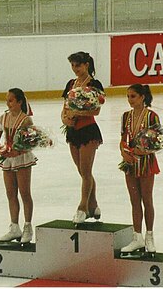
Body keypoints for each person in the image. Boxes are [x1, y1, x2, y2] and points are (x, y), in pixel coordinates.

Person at [61, 51, 104, 224]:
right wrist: (65, 119)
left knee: (86, 171)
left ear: (86, 65)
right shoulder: (71, 84)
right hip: (72, 131)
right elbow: (64, 107)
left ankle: (82, 207)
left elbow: (96, 110)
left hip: (88, 131)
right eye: (72, 65)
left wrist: (78, 112)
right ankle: (93, 204)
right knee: (82, 171)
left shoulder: (94, 84)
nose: (75, 69)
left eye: (78, 65)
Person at [119, 84, 160, 257]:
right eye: (128, 96)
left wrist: (143, 151)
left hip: (146, 162)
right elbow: (122, 138)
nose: (130, 100)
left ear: (143, 97)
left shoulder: (152, 116)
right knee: (134, 200)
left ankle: (149, 236)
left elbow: (159, 141)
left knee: (147, 200)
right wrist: (123, 151)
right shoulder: (125, 116)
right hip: (130, 163)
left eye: (133, 96)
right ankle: (137, 237)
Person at [0, 88, 36, 244]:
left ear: (19, 102)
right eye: (7, 100)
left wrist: (18, 152)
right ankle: (14, 227)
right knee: (10, 193)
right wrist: (2, 151)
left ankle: (28, 227)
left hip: (22, 159)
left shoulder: (26, 120)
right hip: (8, 159)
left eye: (11, 100)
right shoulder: (3, 118)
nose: (8, 103)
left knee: (25, 193)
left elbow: (31, 143)